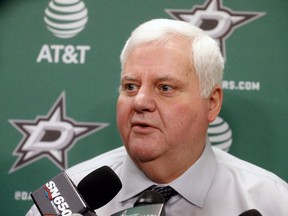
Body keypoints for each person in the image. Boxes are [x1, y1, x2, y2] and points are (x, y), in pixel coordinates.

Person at [26, 18, 288, 216]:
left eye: (165, 87)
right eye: (130, 86)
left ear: (211, 103)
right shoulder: (67, 201)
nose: (140, 101)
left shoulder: (271, 202)